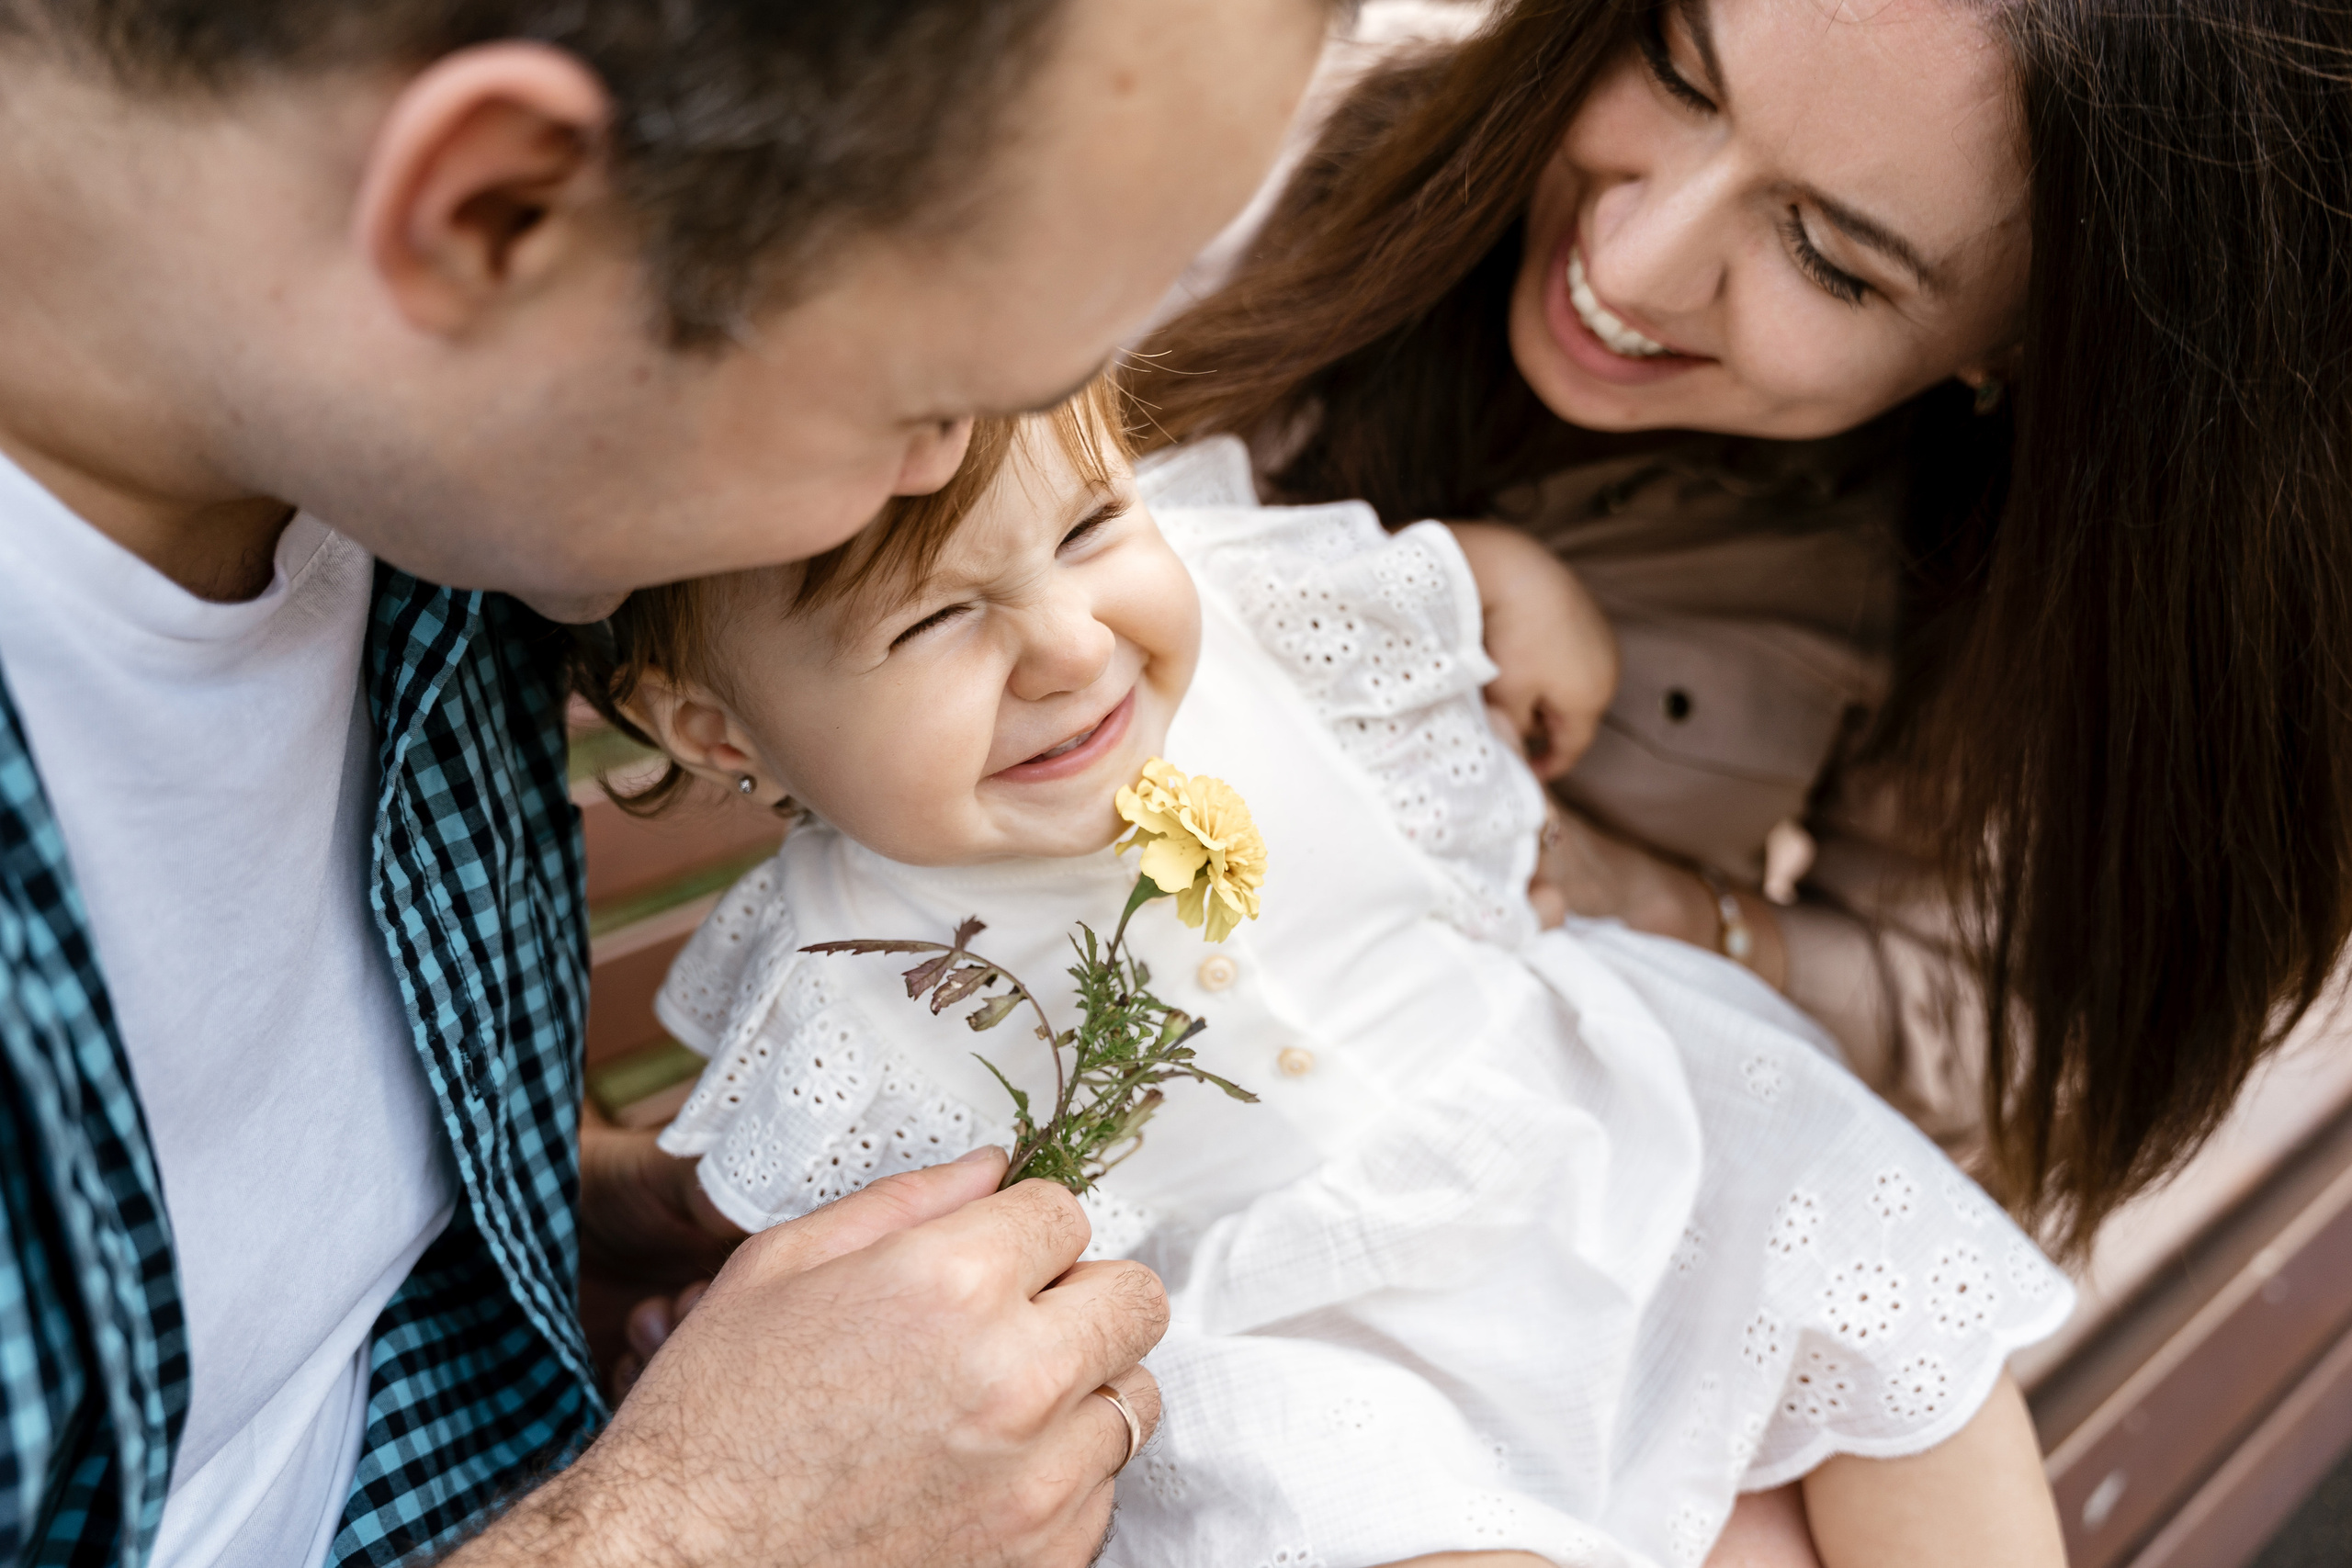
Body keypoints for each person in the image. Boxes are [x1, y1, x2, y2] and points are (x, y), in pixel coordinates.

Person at [0, 1, 1329, 1562]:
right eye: (925, 403)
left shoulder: (425, 472)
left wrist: (581, 1213)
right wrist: (689, 1532)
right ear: (497, 215)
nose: (946, 474)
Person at [570, 376, 2075, 1568]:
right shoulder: (838, 988)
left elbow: (1412, 578)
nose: (1069, 645)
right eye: (937, 618)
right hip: (1279, 1336)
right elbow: (876, 1281)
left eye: (1096, 527)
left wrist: (1515, 582)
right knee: (1368, 1520)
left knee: (1890, 1311)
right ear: (716, 733)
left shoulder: (1265, 612)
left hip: (1564, 1126)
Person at [1134, 0, 2352, 1269]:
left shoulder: (1970, 586)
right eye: (1675, 73)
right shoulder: (1290, 131)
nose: (1635, 262)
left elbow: (2008, 1045)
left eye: (1827, 255)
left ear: (2026, 344)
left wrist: (1672, 909)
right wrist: (1412, 590)